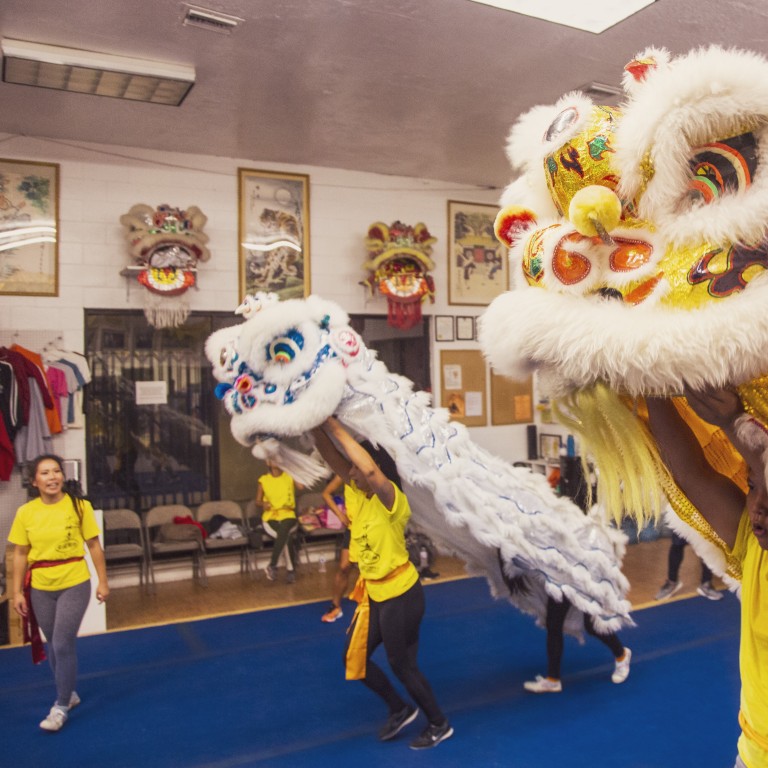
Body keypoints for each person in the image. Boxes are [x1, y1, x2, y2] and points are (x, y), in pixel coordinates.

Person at [311, 417, 453, 750]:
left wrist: (334, 423)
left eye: (357, 469)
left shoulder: (392, 501)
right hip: (374, 592)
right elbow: (332, 456)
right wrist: (314, 421)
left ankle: (439, 723)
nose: (352, 473)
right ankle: (400, 708)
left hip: (401, 593)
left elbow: (371, 471)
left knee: (401, 664)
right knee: (355, 659)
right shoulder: (355, 493)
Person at [645, 388, 767, 768]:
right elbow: (690, 471)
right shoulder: (754, 544)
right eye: (751, 487)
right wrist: (650, 379)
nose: (759, 508)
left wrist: (735, 423)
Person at [9, 454, 109, 732]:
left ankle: (61, 705)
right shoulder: (26, 513)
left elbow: (94, 546)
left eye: (56, 471)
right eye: (45, 473)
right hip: (40, 587)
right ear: (34, 481)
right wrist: (16, 592)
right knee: (54, 642)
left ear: (63, 477)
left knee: (63, 643)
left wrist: (103, 582)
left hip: (74, 582)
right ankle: (70, 691)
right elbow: (20, 553)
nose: (52, 477)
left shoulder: (79, 506)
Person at [523, 595, 631, 693]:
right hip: (561, 579)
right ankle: (553, 679)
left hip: (585, 579)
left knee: (592, 626)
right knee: (553, 624)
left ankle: (622, 655)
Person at [254, 461, 304, 583]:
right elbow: (257, 501)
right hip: (271, 516)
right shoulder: (264, 480)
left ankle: (273, 564)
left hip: (288, 514)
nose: (276, 461)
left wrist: (290, 467)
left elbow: (301, 487)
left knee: (284, 530)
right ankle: (291, 570)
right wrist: (263, 504)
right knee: (286, 537)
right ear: (268, 462)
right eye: (273, 459)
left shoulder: (289, 476)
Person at [320, 474, 353, 623]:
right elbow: (326, 494)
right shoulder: (346, 471)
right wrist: (340, 515)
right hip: (354, 527)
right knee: (344, 567)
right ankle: (335, 606)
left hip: (374, 527)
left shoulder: (374, 471)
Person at [655, 531, 723, 601]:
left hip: (706, 521)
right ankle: (672, 582)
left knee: (708, 545)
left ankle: (706, 584)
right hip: (686, 521)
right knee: (677, 543)